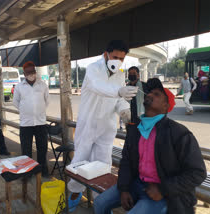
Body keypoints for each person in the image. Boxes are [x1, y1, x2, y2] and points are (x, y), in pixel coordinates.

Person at [93, 78, 206, 214]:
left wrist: (163, 189)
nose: (150, 95)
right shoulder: (135, 129)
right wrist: (124, 189)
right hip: (136, 184)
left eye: (157, 94)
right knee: (100, 203)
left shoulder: (178, 133)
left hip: (163, 192)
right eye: (150, 93)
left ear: (166, 106)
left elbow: (197, 173)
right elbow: (127, 161)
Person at [68, 40, 138, 211]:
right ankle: (74, 194)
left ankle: (102, 202)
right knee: (80, 160)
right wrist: (119, 91)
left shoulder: (120, 74)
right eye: (115, 57)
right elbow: (99, 87)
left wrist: (125, 111)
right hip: (88, 123)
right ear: (106, 54)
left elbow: (119, 100)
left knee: (103, 164)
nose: (118, 61)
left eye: (122, 58)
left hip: (106, 126)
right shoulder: (93, 69)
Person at [13, 61, 49, 177]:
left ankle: (42, 171)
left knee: (42, 149)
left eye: (32, 71)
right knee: (26, 150)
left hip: (40, 122)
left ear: (35, 71)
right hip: (25, 124)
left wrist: (39, 111)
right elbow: (15, 102)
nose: (31, 74)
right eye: (28, 72)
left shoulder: (42, 85)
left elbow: (47, 101)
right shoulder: (19, 87)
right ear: (24, 73)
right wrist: (25, 111)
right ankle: (27, 173)